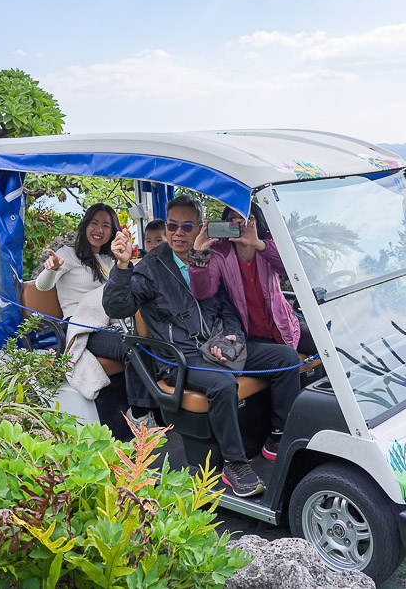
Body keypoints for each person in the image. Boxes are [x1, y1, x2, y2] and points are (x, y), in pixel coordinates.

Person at [103, 194, 301, 498]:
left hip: (218, 348)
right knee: (222, 384)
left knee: (286, 357)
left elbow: (227, 307)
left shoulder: (210, 259)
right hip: (181, 357)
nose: (178, 233)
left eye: (186, 226)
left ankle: (279, 436)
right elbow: (118, 306)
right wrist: (122, 265)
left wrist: (230, 336)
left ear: (200, 229)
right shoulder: (151, 267)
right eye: (172, 226)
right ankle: (235, 463)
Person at [35, 203, 154, 431]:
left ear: (113, 232)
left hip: (111, 324)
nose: (99, 229)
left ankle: (155, 407)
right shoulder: (67, 255)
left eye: (106, 225)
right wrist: (51, 268)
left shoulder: (111, 260)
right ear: (85, 225)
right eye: (94, 223)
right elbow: (42, 286)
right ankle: (140, 416)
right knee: (134, 347)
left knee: (150, 343)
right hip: (83, 327)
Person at [190, 203, 316, 361]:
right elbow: (203, 292)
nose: (237, 223)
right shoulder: (220, 252)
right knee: (285, 358)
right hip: (248, 333)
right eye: (231, 220)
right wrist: (198, 255)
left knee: (325, 342)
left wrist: (259, 244)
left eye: (243, 218)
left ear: (257, 222)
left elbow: (291, 270)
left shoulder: (269, 243)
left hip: (284, 326)